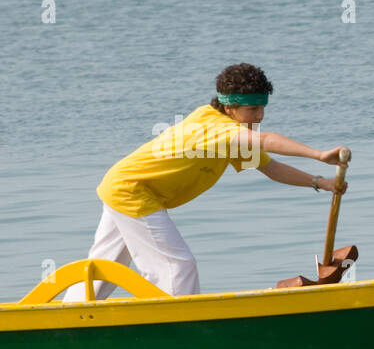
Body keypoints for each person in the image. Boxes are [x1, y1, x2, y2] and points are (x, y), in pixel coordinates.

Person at [63, 63, 348, 301]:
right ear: (230, 107)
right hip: (133, 192)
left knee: (105, 268)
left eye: (263, 108)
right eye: (252, 110)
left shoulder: (233, 133)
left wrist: (320, 182)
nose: (259, 116)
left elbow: (271, 168)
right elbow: (267, 141)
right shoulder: (215, 127)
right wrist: (319, 154)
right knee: (177, 265)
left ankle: (66, 318)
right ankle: (179, 327)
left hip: (122, 185)